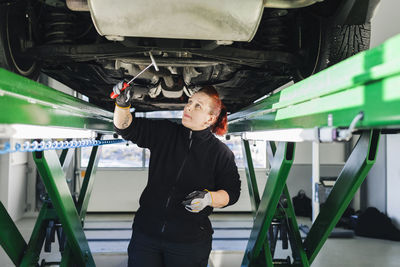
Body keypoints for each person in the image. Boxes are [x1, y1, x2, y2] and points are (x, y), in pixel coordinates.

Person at [113, 83, 241, 267]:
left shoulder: (221, 153)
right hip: (146, 236)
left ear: (210, 119)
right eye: (190, 102)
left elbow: (232, 193)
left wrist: (209, 198)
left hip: (189, 243)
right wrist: (122, 105)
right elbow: (125, 128)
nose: (189, 107)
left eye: (198, 106)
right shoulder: (165, 133)